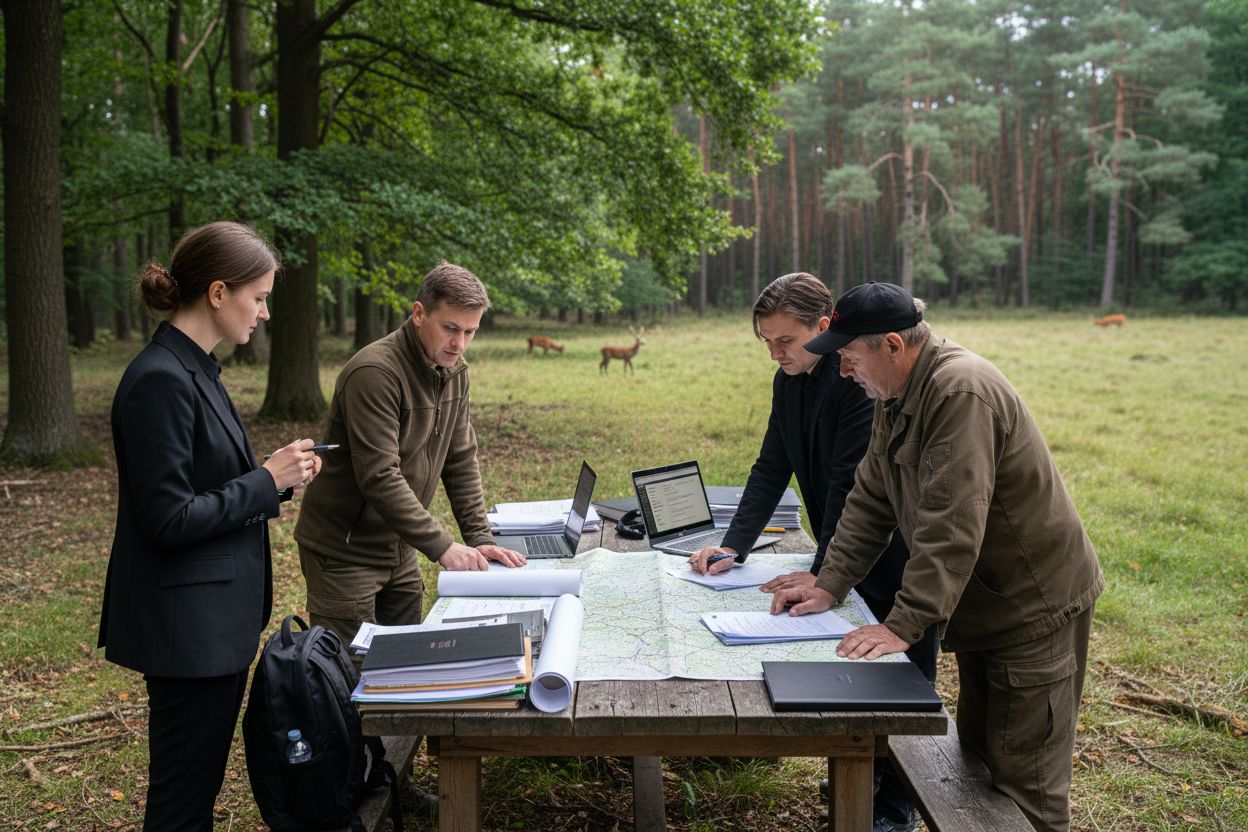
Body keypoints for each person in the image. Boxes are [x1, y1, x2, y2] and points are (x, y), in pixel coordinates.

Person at [768, 281, 1104, 832]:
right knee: (979, 764)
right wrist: (829, 582)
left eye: (850, 356)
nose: (844, 371)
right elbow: (870, 497)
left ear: (893, 346)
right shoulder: (896, 395)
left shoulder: (958, 392)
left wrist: (903, 625)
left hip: (1032, 609)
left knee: (1025, 787)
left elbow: (953, 524)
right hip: (987, 605)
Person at [687, 273, 937, 832]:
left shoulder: (858, 379)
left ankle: (895, 806)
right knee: (848, 669)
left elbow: (855, 485)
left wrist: (825, 571)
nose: (775, 354)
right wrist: (735, 543)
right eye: (766, 342)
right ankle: (857, 772)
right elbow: (771, 464)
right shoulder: (789, 381)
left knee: (904, 679)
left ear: (824, 328)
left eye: (785, 341)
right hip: (838, 540)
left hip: (890, 548)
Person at [98, 221, 321, 831]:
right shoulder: (160, 380)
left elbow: (206, 485)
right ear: (219, 293)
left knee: (194, 796)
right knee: (181, 803)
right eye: (260, 297)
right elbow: (168, 517)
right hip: (185, 633)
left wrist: (277, 477)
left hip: (211, 625)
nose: (266, 313)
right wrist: (265, 480)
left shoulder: (196, 369)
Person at [294, 261, 525, 660]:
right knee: (348, 681)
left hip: (401, 549)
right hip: (345, 554)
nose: (459, 343)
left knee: (405, 673)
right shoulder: (374, 373)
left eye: (470, 332)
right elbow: (379, 476)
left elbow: (460, 458)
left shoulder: (454, 370)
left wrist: (480, 539)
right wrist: (443, 547)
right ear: (419, 313)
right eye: (451, 328)